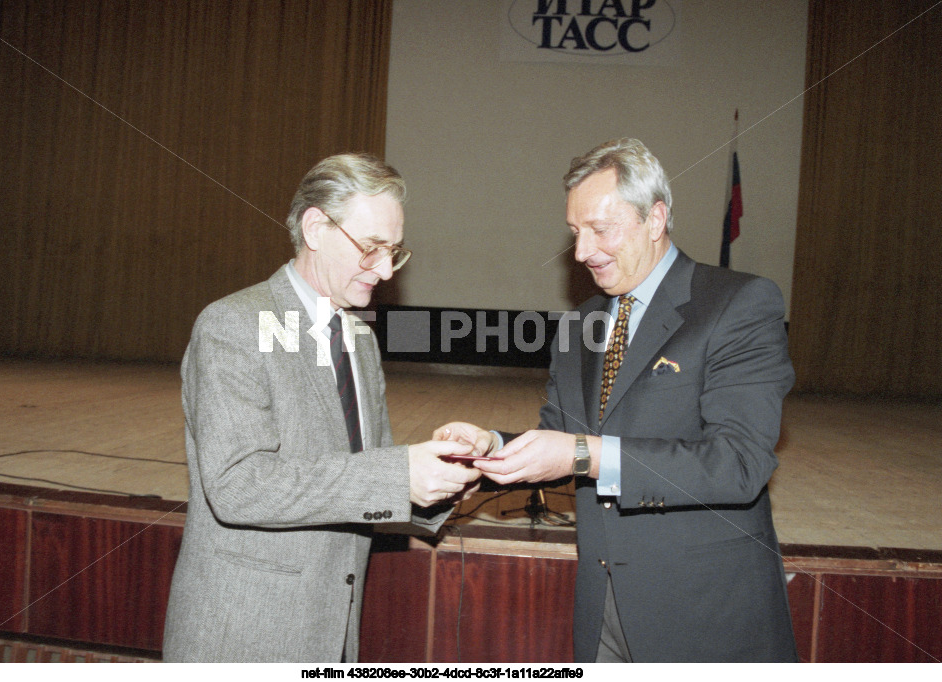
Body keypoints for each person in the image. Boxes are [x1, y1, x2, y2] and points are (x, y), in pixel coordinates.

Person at [437, 138, 797, 662]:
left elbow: (738, 464)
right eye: (576, 233)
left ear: (655, 219)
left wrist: (586, 453)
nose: (582, 252)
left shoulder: (739, 303)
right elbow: (560, 439)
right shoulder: (582, 324)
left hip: (704, 616)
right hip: (602, 610)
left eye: (600, 230)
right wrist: (491, 444)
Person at [163, 152, 481, 662]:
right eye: (371, 248)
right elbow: (237, 486)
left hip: (330, 635)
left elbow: (360, 481)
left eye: (394, 252)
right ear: (315, 227)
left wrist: (439, 477)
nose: (382, 270)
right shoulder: (233, 325)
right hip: (241, 637)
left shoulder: (358, 338)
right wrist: (398, 474)